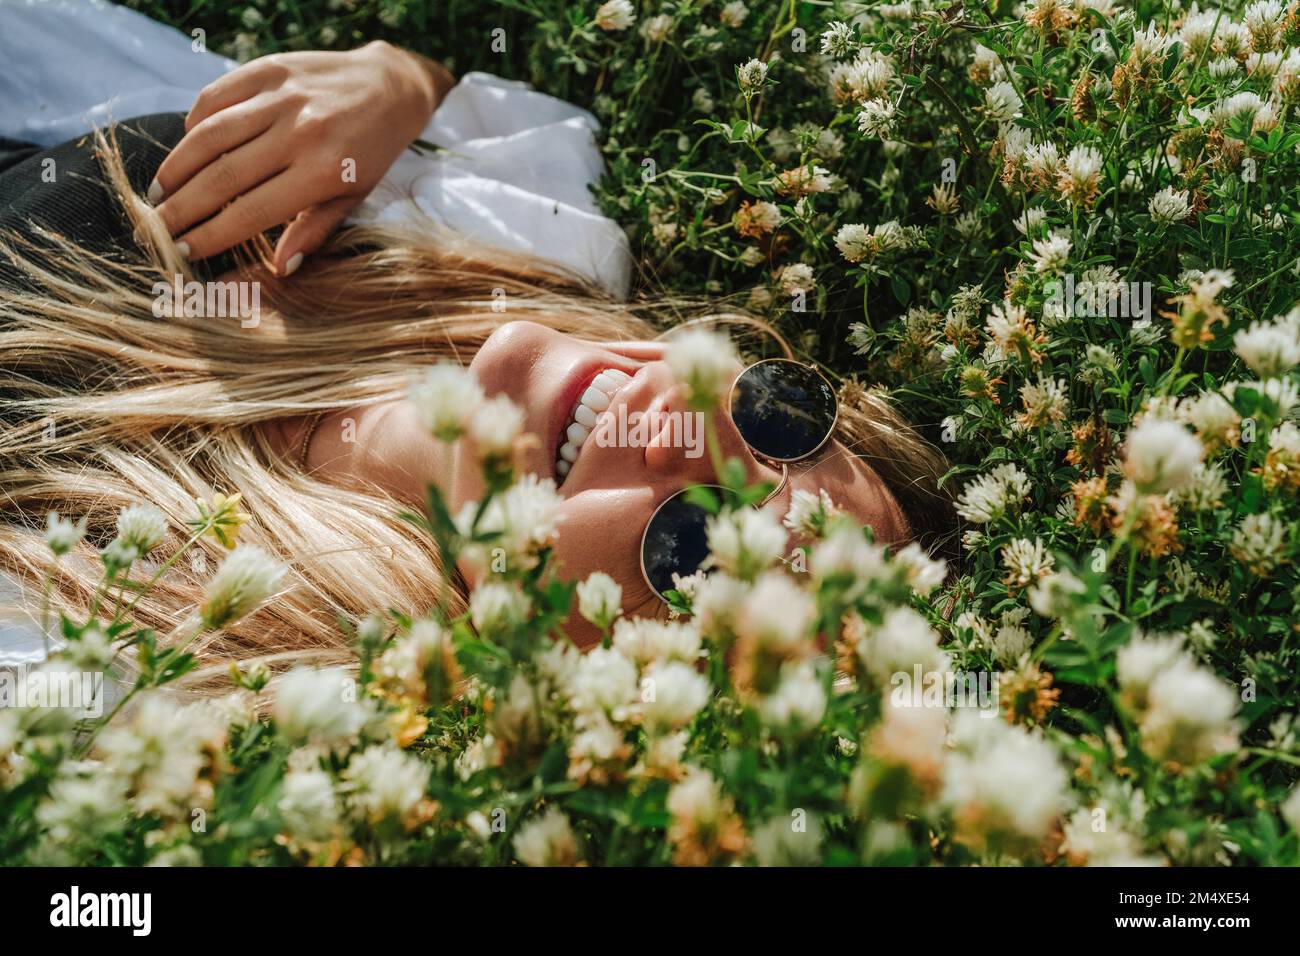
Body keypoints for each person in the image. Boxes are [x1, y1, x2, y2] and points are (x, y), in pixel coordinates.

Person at [0, 1, 955, 672]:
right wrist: (395, 83)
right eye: (776, 422)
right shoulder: (534, 233)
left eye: (697, 548)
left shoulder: (159, 647)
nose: (687, 414)